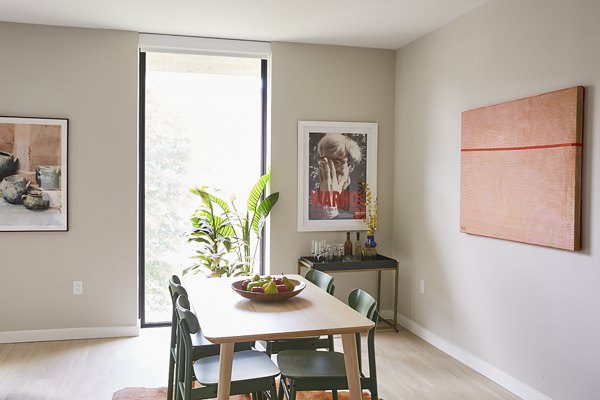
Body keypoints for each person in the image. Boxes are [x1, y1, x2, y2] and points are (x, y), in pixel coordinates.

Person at [310, 133, 363, 219]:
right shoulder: (312, 191)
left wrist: (330, 209)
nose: (330, 168)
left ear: (350, 166)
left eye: (337, 162)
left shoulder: (359, 193)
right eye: (325, 161)